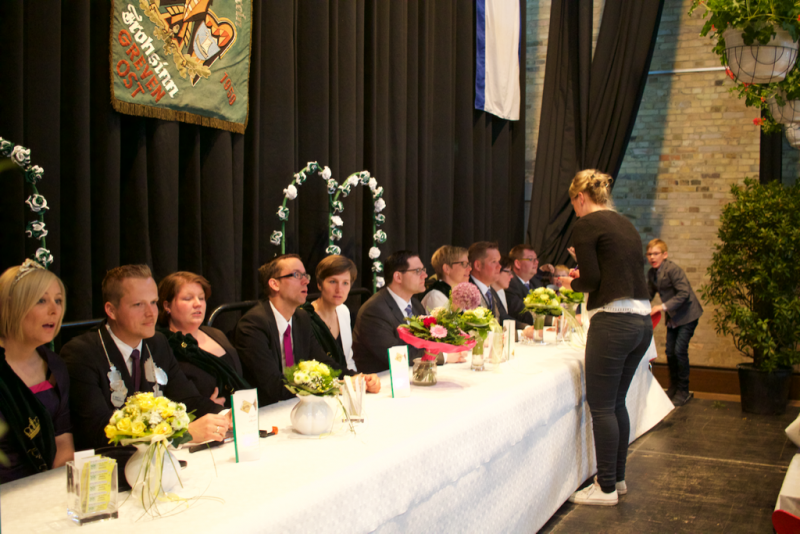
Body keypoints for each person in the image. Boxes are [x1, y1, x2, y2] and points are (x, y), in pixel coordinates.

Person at [558, 169, 653, 506]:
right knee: (616, 403)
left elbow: (592, 281)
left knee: (601, 407)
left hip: (613, 323)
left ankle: (606, 488)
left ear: (580, 198)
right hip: (641, 322)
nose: (575, 211)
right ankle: (618, 479)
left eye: (574, 205)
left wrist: (570, 282)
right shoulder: (624, 223)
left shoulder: (586, 224)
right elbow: (615, 271)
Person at [61, 265, 230, 451]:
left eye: (153, 302)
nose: (151, 313)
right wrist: (182, 433)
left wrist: (227, 416)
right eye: (138, 305)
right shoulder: (81, 354)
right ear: (111, 310)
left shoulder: (157, 343)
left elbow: (188, 399)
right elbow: (97, 430)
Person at [234, 255, 374, 407]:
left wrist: (359, 378)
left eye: (305, 276)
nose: (306, 281)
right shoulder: (253, 325)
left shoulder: (301, 318)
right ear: (275, 284)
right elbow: (273, 384)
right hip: (264, 409)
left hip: (297, 404)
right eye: (296, 275)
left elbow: (323, 362)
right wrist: (337, 385)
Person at [0, 261, 74, 483]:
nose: (54, 310)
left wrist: (51, 491)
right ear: (11, 305)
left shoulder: (54, 366)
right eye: (41, 300)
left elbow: (63, 441)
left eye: (58, 300)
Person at [353, 251, 467, 373]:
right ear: (398, 277)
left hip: (414, 373)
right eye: (418, 271)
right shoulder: (375, 310)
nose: (425, 275)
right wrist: (443, 356)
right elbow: (395, 355)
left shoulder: (415, 305)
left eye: (423, 270)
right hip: (383, 378)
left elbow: (426, 343)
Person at [157, 271, 250, 409]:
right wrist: (205, 407)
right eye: (188, 299)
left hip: (241, 414)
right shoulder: (164, 345)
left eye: (201, 298)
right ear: (167, 306)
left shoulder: (216, 334)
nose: (198, 304)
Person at [298, 255, 381, 391]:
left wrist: (361, 380)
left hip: (344, 388)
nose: (339, 289)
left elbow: (348, 361)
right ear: (319, 284)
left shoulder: (343, 311)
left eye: (345, 283)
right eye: (332, 282)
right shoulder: (305, 317)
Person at [646, 238, 703, 407]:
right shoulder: (652, 273)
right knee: (670, 352)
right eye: (649, 254)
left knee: (679, 351)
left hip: (688, 315)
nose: (652, 257)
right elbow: (648, 294)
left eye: (656, 253)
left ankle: (683, 391)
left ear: (665, 255)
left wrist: (661, 307)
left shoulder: (673, 270)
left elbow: (684, 293)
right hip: (674, 317)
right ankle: (674, 387)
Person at [468, 242, 521, 327]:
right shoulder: (467, 291)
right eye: (494, 262)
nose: (499, 266)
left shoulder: (490, 290)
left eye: (499, 261)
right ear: (478, 265)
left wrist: (527, 328)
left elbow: (503, 318)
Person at [505, 244, 555, 325]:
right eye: (531, 259)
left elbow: (548, 308)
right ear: (517, 263)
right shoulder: (510, 284)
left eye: (536, 259)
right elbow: (522, 314)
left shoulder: (535, 283)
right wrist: (553, 321)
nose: (536, 262)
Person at [421, 245, 471, 313]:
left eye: (468, 264)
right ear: (447, 268)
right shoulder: (436, 297)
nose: (469, 268)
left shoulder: (460, 295)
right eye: (464, 264)